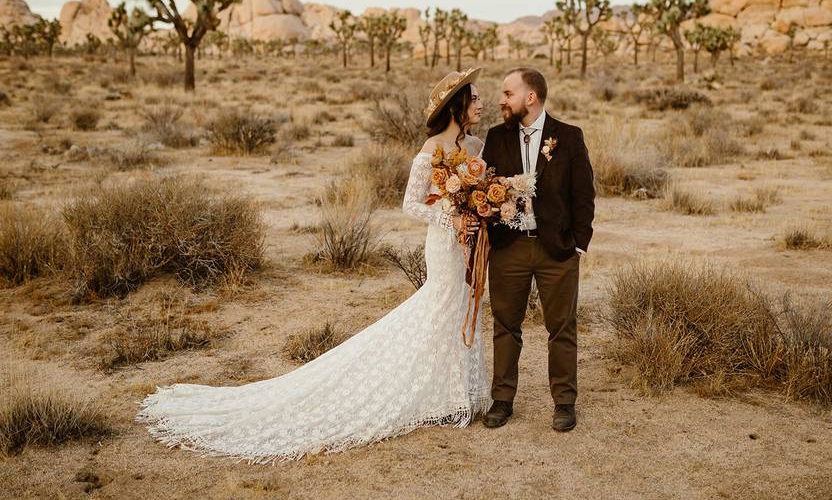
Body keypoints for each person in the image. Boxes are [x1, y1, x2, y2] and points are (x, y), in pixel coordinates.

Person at [135, 67, 492, 464]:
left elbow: (477, 193)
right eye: (474, 98)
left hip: (472, 243)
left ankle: (459, 394)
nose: (480, 103)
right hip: (444, 244)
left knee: (466, 306)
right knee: (441, 310)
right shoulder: (429, 152)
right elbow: (410, 204)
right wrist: (452, 218)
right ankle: (446, 397)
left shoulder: (477, 147)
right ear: (457, 105)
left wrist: (480, 210)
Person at [480, 66, 596, 432]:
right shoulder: (496, 137)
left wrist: (579, 243)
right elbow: (484, 188)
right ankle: (502, 400)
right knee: (505, 325)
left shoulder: (569, 136)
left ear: (530, 97)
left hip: (556, 250)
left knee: (562, 327)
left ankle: (564, 402)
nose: (501, 99)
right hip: (509, 247)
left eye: (508, 93)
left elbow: (583, 193)